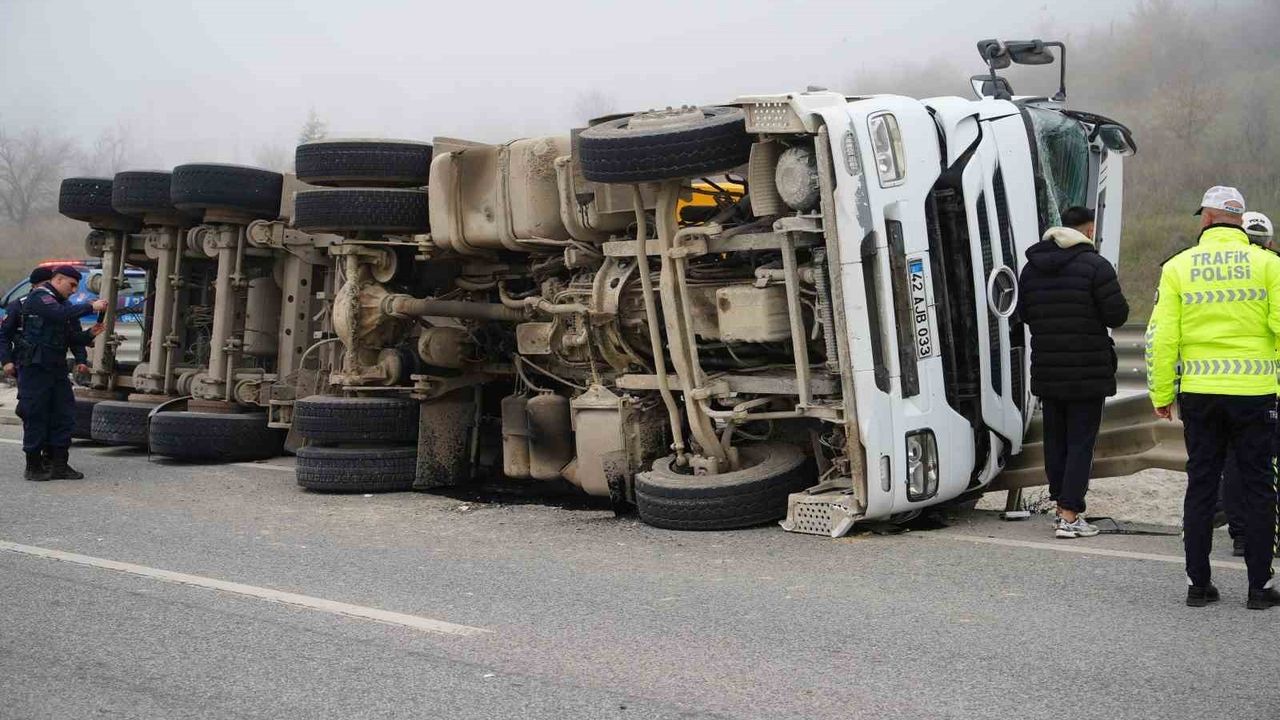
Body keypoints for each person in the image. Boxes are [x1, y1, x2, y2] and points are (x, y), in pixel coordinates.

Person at [1148, 186, 1280, 609]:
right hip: (1254, 394)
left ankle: (1198, 585)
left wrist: (1162, 391)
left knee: (1201, 484)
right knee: (1259, 486)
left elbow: (1161, 337)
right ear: (1240, 221)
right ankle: (1260, 587)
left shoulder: (1178, 267)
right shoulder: (1269, 265)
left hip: (1200, 396)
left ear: (1206, 219)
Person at [1017, 206, 1129, 539]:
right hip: (1087, 371)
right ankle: (1069, 514)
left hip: (1048, 370)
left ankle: (1060, 506)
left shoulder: (1031, 269)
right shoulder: (1096, 266)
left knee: (1057, 441)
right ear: (1088, 230)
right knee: (1081, 442)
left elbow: (1024, 314)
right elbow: (1117, 315)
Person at [9, 265, 106, 481]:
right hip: (35, 367)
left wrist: (90, 333)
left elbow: (72, 338)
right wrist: (91, 305)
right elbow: (56, 313)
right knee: (36, 414)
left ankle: (59, 464)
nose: (73, 290)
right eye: (71, 285)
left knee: (64, 415)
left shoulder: (64, 305)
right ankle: (33, 466)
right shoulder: (39, 297)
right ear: (58, 279)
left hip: (56, 368)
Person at [1219, 210, 1276, 556]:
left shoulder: (1209, 271)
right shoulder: (1273, 270)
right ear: (1269, 243)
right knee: (1261, 469)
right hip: (1263, 386)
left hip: (1212, 384)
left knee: (1232, 463)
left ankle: (1240, 533)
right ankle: (1262, 538)